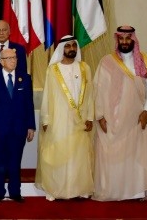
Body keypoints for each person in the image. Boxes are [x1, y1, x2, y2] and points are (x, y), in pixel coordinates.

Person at [93, 26, 147, 201]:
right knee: (113, 156)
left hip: (137, 118)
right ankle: (115, 191)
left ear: (133, 40)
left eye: (127, 38)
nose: (124, 42)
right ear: (117, 40)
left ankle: (137, 192)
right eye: (121, 38)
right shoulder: (107, 62)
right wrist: (100, 116)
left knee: (137, 154)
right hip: (113, 118)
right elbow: (98, 90)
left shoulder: (144, 61)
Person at [35, 35, 94, 201]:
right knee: (58, 154)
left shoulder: (85, 68)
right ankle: (56, 189)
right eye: (67, 46)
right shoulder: (53, 70)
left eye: (74, 46)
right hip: (58, 119)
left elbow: (90, 95)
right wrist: (46, 119)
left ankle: (79, 189)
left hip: (80, 119)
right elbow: (47, 96)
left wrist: (90, 117)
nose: (71, 49)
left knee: (78, 155)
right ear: (62, 49)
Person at [0, 48, 35, 203]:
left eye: (15, 57)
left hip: (18, 128)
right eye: (9, 58)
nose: (13, 60)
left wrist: (30, 126)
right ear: (1, 61)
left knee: (15, 162)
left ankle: (15, 192)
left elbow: (29, 104)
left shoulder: (25, 78)